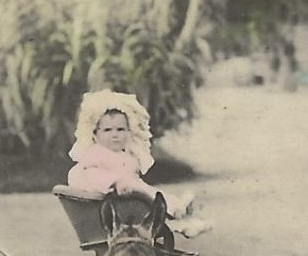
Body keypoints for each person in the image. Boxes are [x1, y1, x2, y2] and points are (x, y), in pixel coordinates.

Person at [66, 89, 210, 239]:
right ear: (95, 135)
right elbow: (92, 175)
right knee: (146, 193)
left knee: (148, 192)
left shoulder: (124, 156)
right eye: (107, 130)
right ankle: (178, 215)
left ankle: (182, 218)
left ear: (129, 132)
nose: (115, 135)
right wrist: (115, 182)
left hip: (130, 204)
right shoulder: (96, 154)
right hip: (117, 207)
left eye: (120, 129)